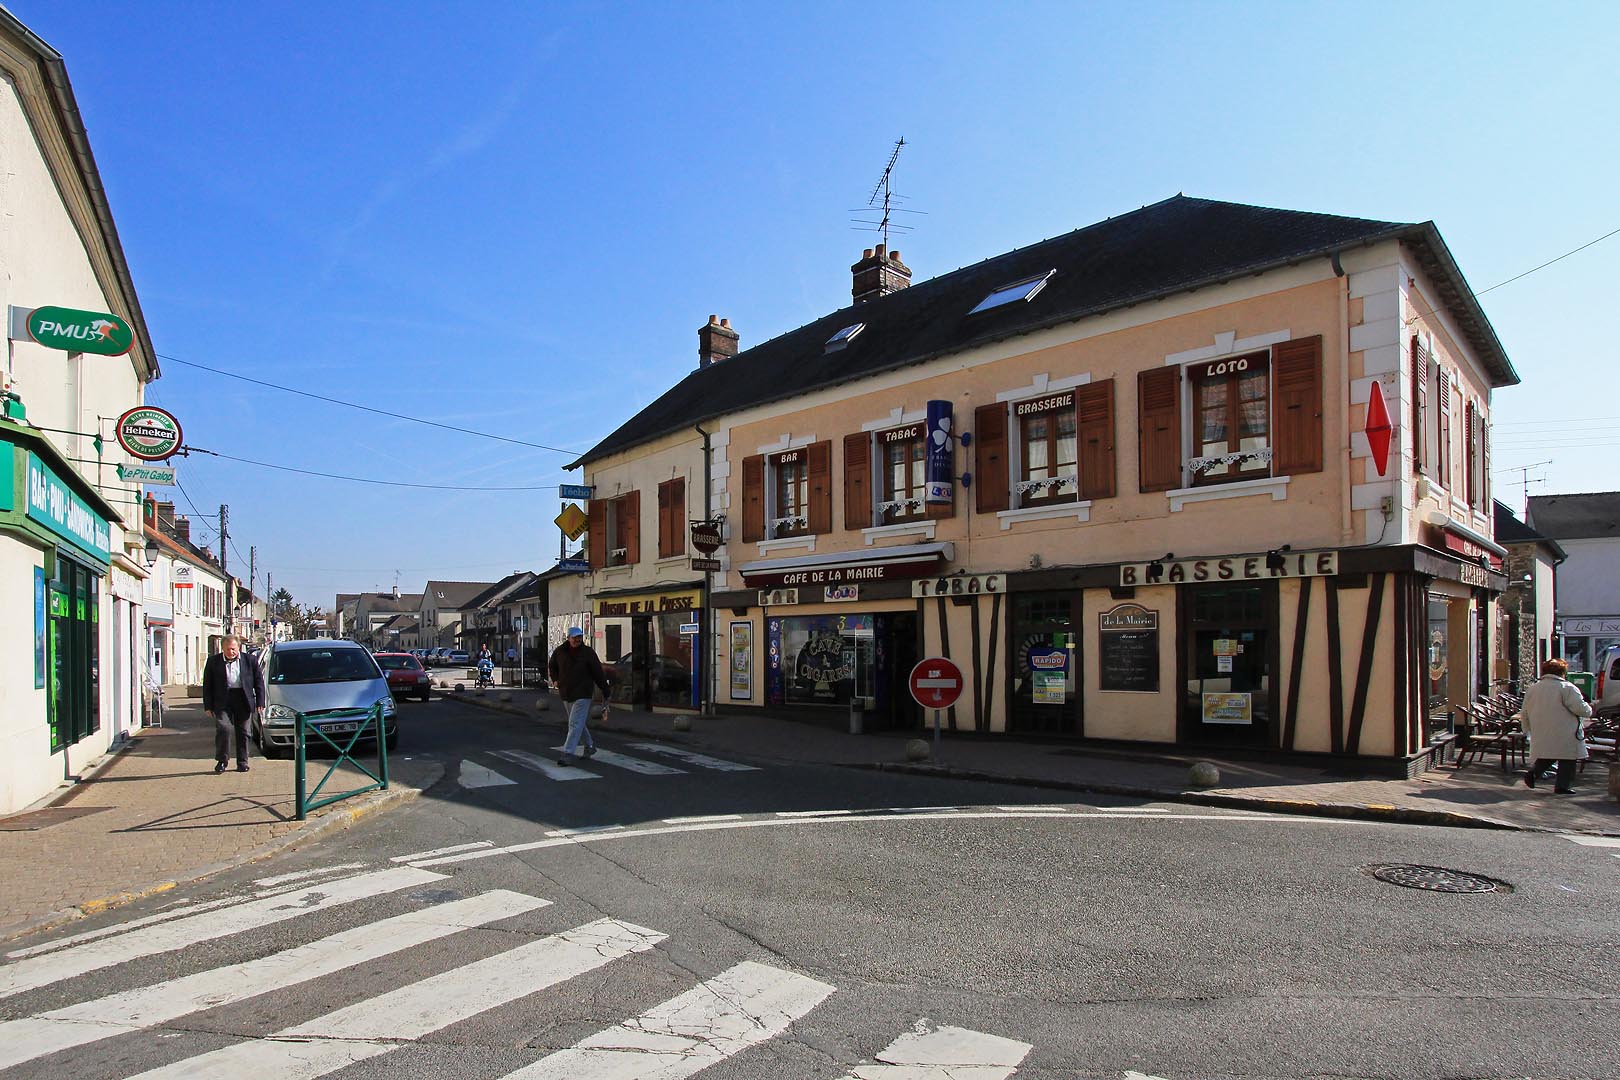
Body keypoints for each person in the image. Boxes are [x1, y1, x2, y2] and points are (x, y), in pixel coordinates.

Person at [1520, 657, 1591, 794]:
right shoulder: (1567, 688)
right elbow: (1581, 709)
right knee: (1568, 757)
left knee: (1548, 754)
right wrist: (1589, 708)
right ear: (1563, 672)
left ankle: (1534, 773)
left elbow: (1525, 711)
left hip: (1541, 728)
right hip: (1565, 729)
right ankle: (1562, 786)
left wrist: (1526, 728)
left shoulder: (1533, 689)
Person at [201, 635, 266, 774]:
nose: (231, 652)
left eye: (233, 649)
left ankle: (242, 762)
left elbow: (259, 681)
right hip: (222, 700)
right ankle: (222, 760)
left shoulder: (250, 660)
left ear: (239, 648)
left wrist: (260, 701)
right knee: (223, 728)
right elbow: (207, 685)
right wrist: (208, 706)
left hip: (243, 698)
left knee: (244, 731)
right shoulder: (213, 662)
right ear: (222, 649)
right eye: (228, 649)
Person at [549, 627, 610, 766]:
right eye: (575, 637)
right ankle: (589, 746)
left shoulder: (588, 652)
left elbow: (597, 672)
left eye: (579, 637)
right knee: (577, 722)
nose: (577, 640)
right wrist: (555, 679)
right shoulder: (560, 651)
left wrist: (605, 689)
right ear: (568, 638)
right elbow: (552, 665)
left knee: (574, 723)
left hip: (583, 692)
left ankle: (567, 753)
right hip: (566, 692)